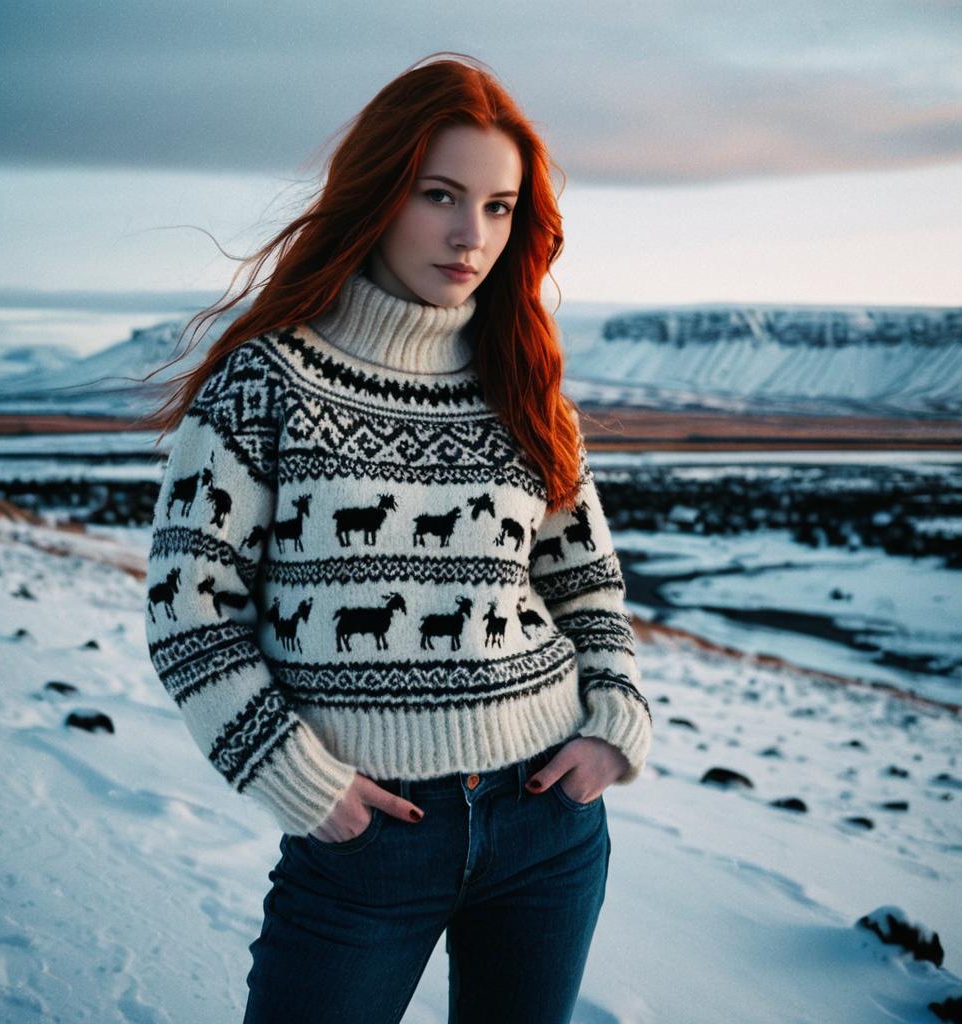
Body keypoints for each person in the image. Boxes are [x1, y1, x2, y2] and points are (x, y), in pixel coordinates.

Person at [143, 51, 653, 1024]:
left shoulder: (525, 389)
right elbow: (189, 609)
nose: (471, 234)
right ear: (380, 192)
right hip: (366, 832)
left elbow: (587, 590)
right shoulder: (266, 385)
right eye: (441, 195)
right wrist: (295, 777)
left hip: (546, 822)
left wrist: (612, 722)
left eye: (500, 207)